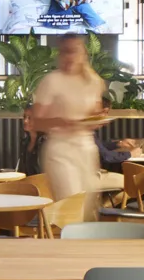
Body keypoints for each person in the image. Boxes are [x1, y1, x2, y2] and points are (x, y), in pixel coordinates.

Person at [29, 34, 106, 199]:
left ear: (83, 54)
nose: (69, 56)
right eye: (65, 52)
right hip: (60, 151)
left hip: (86, 149)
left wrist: (97, 119)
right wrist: (59, 122)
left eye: (73, 51)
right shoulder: (51, 81)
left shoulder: (93, 81)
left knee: (87, 206)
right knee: (71, 202)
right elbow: (36, 122)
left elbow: (94, 114)